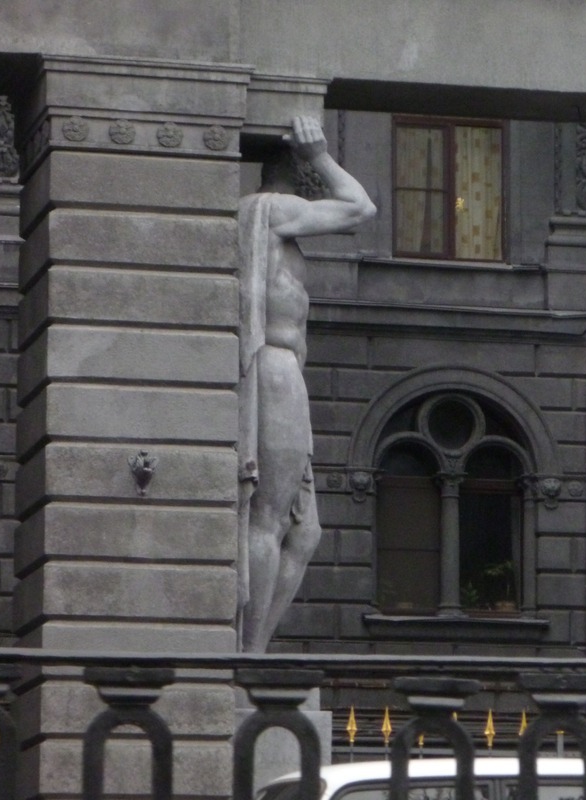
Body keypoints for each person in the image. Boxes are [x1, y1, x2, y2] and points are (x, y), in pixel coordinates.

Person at [238, 116, 376, 652]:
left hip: (288, 372)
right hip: (272, 368)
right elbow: (360, 206)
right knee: (269, 517)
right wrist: (319, 153)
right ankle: (245, 657)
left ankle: (253, 648)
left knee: (306, 532)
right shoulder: (272, 209)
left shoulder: (280, 226)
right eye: (311, 173)